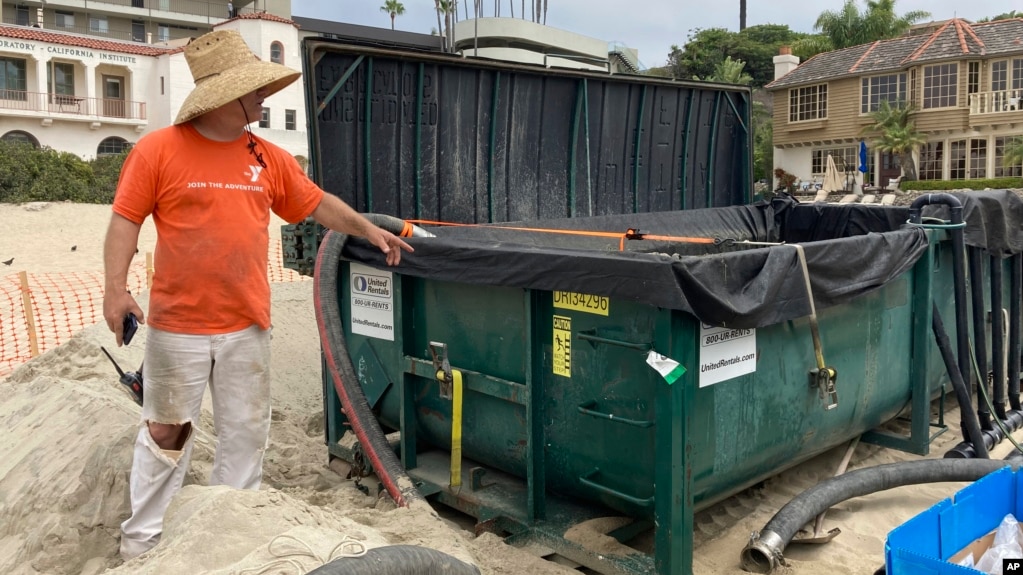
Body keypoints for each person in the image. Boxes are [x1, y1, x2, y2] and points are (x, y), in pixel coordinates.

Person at [102, 29, 413, 561]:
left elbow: (316, 204)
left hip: (248, 325)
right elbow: (124, 224)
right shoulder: (159, 150)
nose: (264, 98)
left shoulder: (267, 157)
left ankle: (228, 529)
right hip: (178, 325)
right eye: (256, 90)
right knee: (166, 432)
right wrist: (115, 291)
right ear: (227, 95)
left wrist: (367, 229)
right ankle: (142, 546)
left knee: (245, 437)